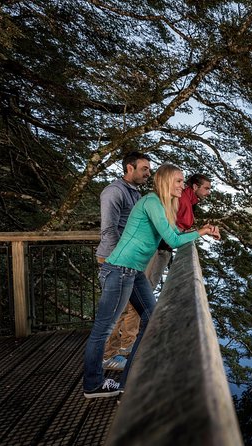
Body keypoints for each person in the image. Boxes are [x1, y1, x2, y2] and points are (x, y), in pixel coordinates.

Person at [83, 164, 220, 398]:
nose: (182, 185)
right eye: (178, 181)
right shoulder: (152, 202)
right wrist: (202, 232)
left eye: (183, 181)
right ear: (166, 181)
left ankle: (130, 380)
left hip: (132, 272)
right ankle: (93, 385)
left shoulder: (163, 205)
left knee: (151, 319)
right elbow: (173, 239)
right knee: (102, 330)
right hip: (119, 269)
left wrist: (200, 230)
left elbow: (174, 235)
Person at [96, 152, 151, 372]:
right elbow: (109, 230)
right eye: (144, 168)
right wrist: (123, 257)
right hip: (115, 260)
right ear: (130, 168)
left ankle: (125, 348)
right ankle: (107, 357)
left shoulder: (135, 194)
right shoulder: (114, 192)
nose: (148, 172)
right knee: (114, 313)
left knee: (138, 310)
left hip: (130, 262)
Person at [144, 173, 213, 288]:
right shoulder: (182, 199)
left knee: (148, 285)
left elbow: (178, 227)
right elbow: (169, 224)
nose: (208, 193)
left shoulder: (189, 201)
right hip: (159, 249)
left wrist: (204, 230)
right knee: (147, 284)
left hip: (163, 247)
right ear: (195, 187)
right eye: (206, 188)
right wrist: (202, 231)